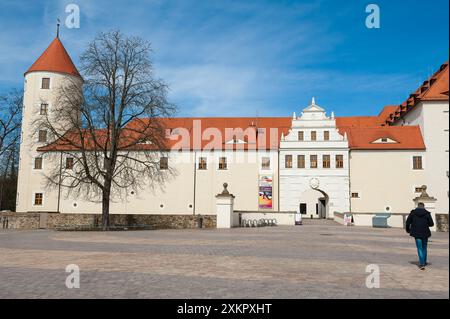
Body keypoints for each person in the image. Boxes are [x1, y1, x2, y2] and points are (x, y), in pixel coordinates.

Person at [405, 203, 434, 271]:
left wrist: (408, 229)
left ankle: (422, 264)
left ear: (417, 206)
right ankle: (423, 262)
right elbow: (431, 224)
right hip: (425, 233)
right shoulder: (427, 213)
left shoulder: (413, 213)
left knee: (419, 248)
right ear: (424, 207)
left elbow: (407, 222)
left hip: (416, 233)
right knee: (424, 248)